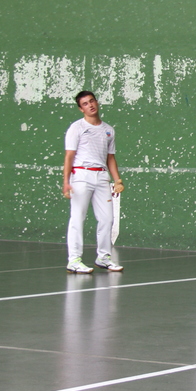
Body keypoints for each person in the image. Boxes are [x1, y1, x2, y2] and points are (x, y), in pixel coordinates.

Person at [63, 91, 124, 273]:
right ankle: (74, 260)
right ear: (81, 109)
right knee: (78, 217)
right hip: (81, 175)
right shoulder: (77, 128)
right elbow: (69, 156)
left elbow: (110, 158)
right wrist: (66, 182)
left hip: (102, 177)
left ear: (96, 102)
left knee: (107, 218)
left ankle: (103, 257)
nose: (90, 105)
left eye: (91, 101)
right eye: (85, 104)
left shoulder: (108, 130)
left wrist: (117, 180)